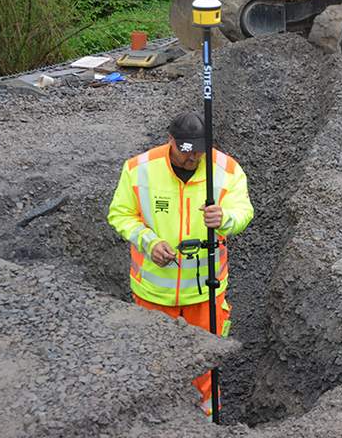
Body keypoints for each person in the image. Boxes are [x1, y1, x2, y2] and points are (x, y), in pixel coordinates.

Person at [107, 111, 253, 418]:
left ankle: (205, 421)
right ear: (171, 141)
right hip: (153, 294)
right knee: (155, 363)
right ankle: (160, 420)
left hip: (205, 295)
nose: (193, 158)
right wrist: (149, 242)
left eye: (199, 151)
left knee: (204, 364)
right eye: (186, 152)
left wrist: (225, 219)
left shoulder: (225, 170)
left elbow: (243, 211)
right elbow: (120, 214)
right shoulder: (139, 169)